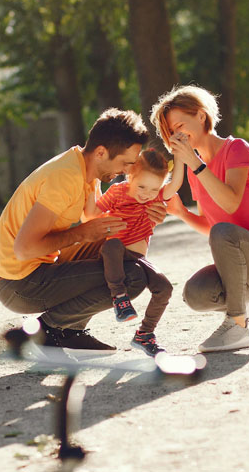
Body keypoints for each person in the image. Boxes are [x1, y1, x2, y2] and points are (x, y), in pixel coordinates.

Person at [0, 108, 167, 351]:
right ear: (101, 153)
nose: (127, 171)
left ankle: (69, 332)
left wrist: (147, 215)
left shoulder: (83, 168)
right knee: (132, 277)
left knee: (121, 249)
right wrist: (82, 233)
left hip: (32, 270)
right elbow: (24, 249)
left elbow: (97, 220)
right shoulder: (65, 177)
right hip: (18, 284)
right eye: (125, 163)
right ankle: (44, 332)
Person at [150, 85, 249, 353]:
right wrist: (181, 213)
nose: (177, 135)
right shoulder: (195, 171)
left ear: (201, 116)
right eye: (171, 132)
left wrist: (195, 164)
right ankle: (240, 303)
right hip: (244, 269)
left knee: (224, 233)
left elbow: (230, 202)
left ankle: (238, 325)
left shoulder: (236, 149)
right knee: (194, 293)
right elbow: (212, 226)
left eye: (180, 125)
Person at [83, 148, 184, 356]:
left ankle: (145, 334)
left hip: (138, 259)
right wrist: (92, 183)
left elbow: (175, 183)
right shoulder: (117, 192)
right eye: (142, 186)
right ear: (130, 176)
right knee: (112, 245)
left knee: (164, 287)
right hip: (115, 254)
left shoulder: (157, 198)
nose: (146, 193)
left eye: (154, 189)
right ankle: (119, 297)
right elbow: (91, 213)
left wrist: (180, 155)